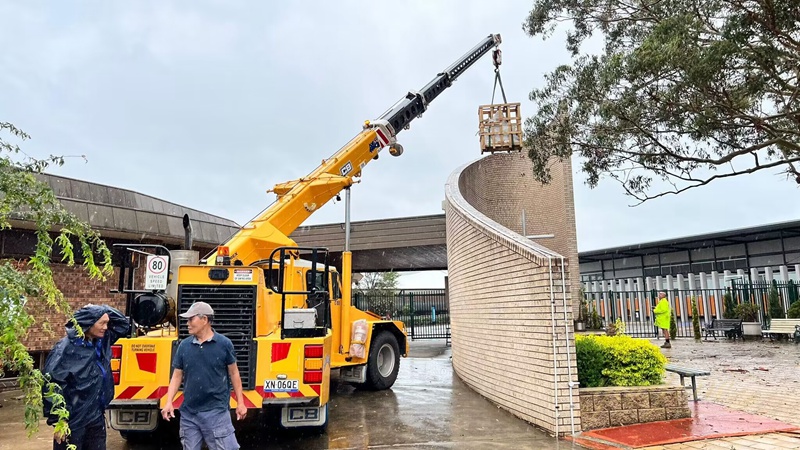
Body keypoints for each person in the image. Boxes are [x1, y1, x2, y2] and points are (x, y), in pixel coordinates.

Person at [43, 304, 131, 450]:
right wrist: (59, 420)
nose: (105, 327)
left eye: (107, 323)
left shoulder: (101, 341)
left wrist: (101, 309)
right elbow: (51, 384)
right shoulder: (66, 348)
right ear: (88, 323)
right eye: (102, 323)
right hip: (73, 418)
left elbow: (123, 324)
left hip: (95, 414)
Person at [161, 301, 247, 450]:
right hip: (189, 414)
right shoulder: (184, 346)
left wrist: (240, 402)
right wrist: (169, 402)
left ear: (205, 319)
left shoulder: (224, 344)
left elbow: (234, 373)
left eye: (191, 319)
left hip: (216, 412)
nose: (187, 323)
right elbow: (176, 376)